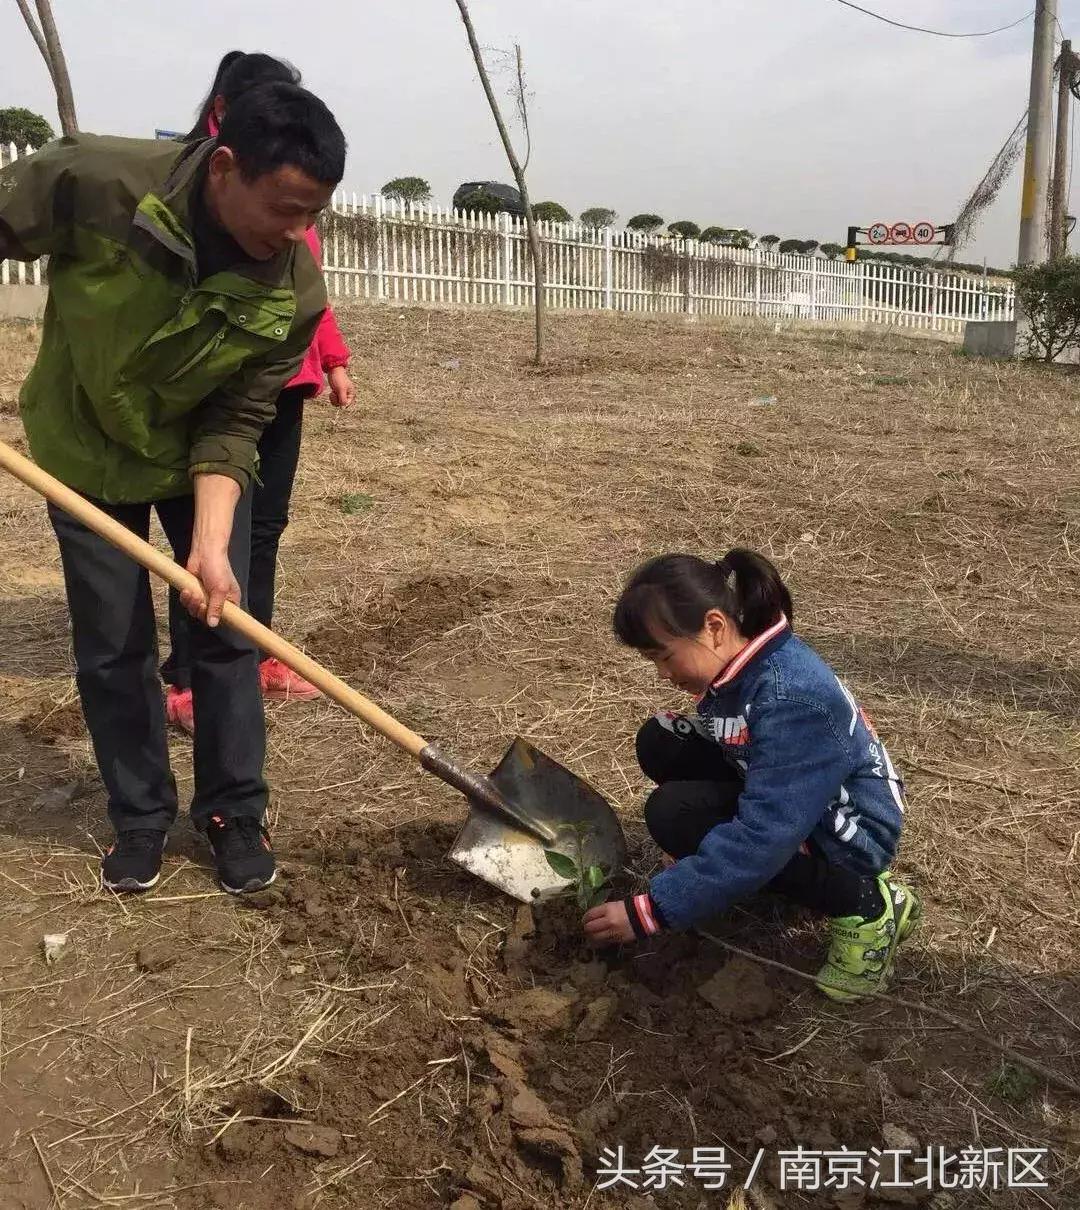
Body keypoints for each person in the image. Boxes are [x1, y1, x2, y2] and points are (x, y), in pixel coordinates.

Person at [0, 81, 347, 895]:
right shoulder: (96, 181)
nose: (296, 232)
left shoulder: (293, 288)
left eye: (312, 215)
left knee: (224, 627)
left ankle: (234, 811)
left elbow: (238, 419)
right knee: (112, 642)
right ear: (224, 168)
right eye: (285, 209)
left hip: (198, 453)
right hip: (86, 445)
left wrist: (212, 545)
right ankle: (140, 815)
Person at [583, 550, 920, 1001]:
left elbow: (767, 831)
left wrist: (654, 909)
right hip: (791, 794)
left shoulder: (791, 697)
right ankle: (736, 870)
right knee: (662, 739)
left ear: (714, 627)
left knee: (675, 816)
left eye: (664, 657)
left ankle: (868, 905)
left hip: (848, 833)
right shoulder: (741, 665)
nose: (662, 674)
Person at [163, 53, 357, 733]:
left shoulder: (292, 201)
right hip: (222, 388)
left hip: (285, 383)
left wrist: (333, 359)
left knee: (264, 528)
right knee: (207, 537)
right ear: (224, 111)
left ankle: (257, 652)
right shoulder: (202, 197)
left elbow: (311, 293)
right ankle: (189, 676)